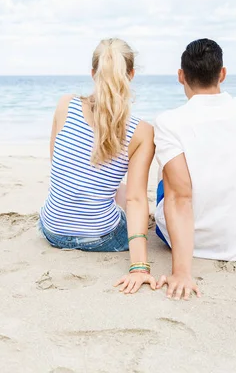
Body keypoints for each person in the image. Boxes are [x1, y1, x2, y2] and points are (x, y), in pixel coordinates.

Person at [154, 38, 236, 300]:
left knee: (168, 180)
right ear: (222, 74)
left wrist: (182, 273)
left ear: (180, 76)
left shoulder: (169, 122)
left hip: (193, 240)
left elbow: (179, 197)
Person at [39, 38, 156, 294]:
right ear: (131, 75)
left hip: (51, 229)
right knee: (139, 207)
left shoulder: (65, 104)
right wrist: (139, 267)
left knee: (111, 186)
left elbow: (59, 166)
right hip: (99, 236)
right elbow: (136, 199)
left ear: (93, 73)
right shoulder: (141, 132)